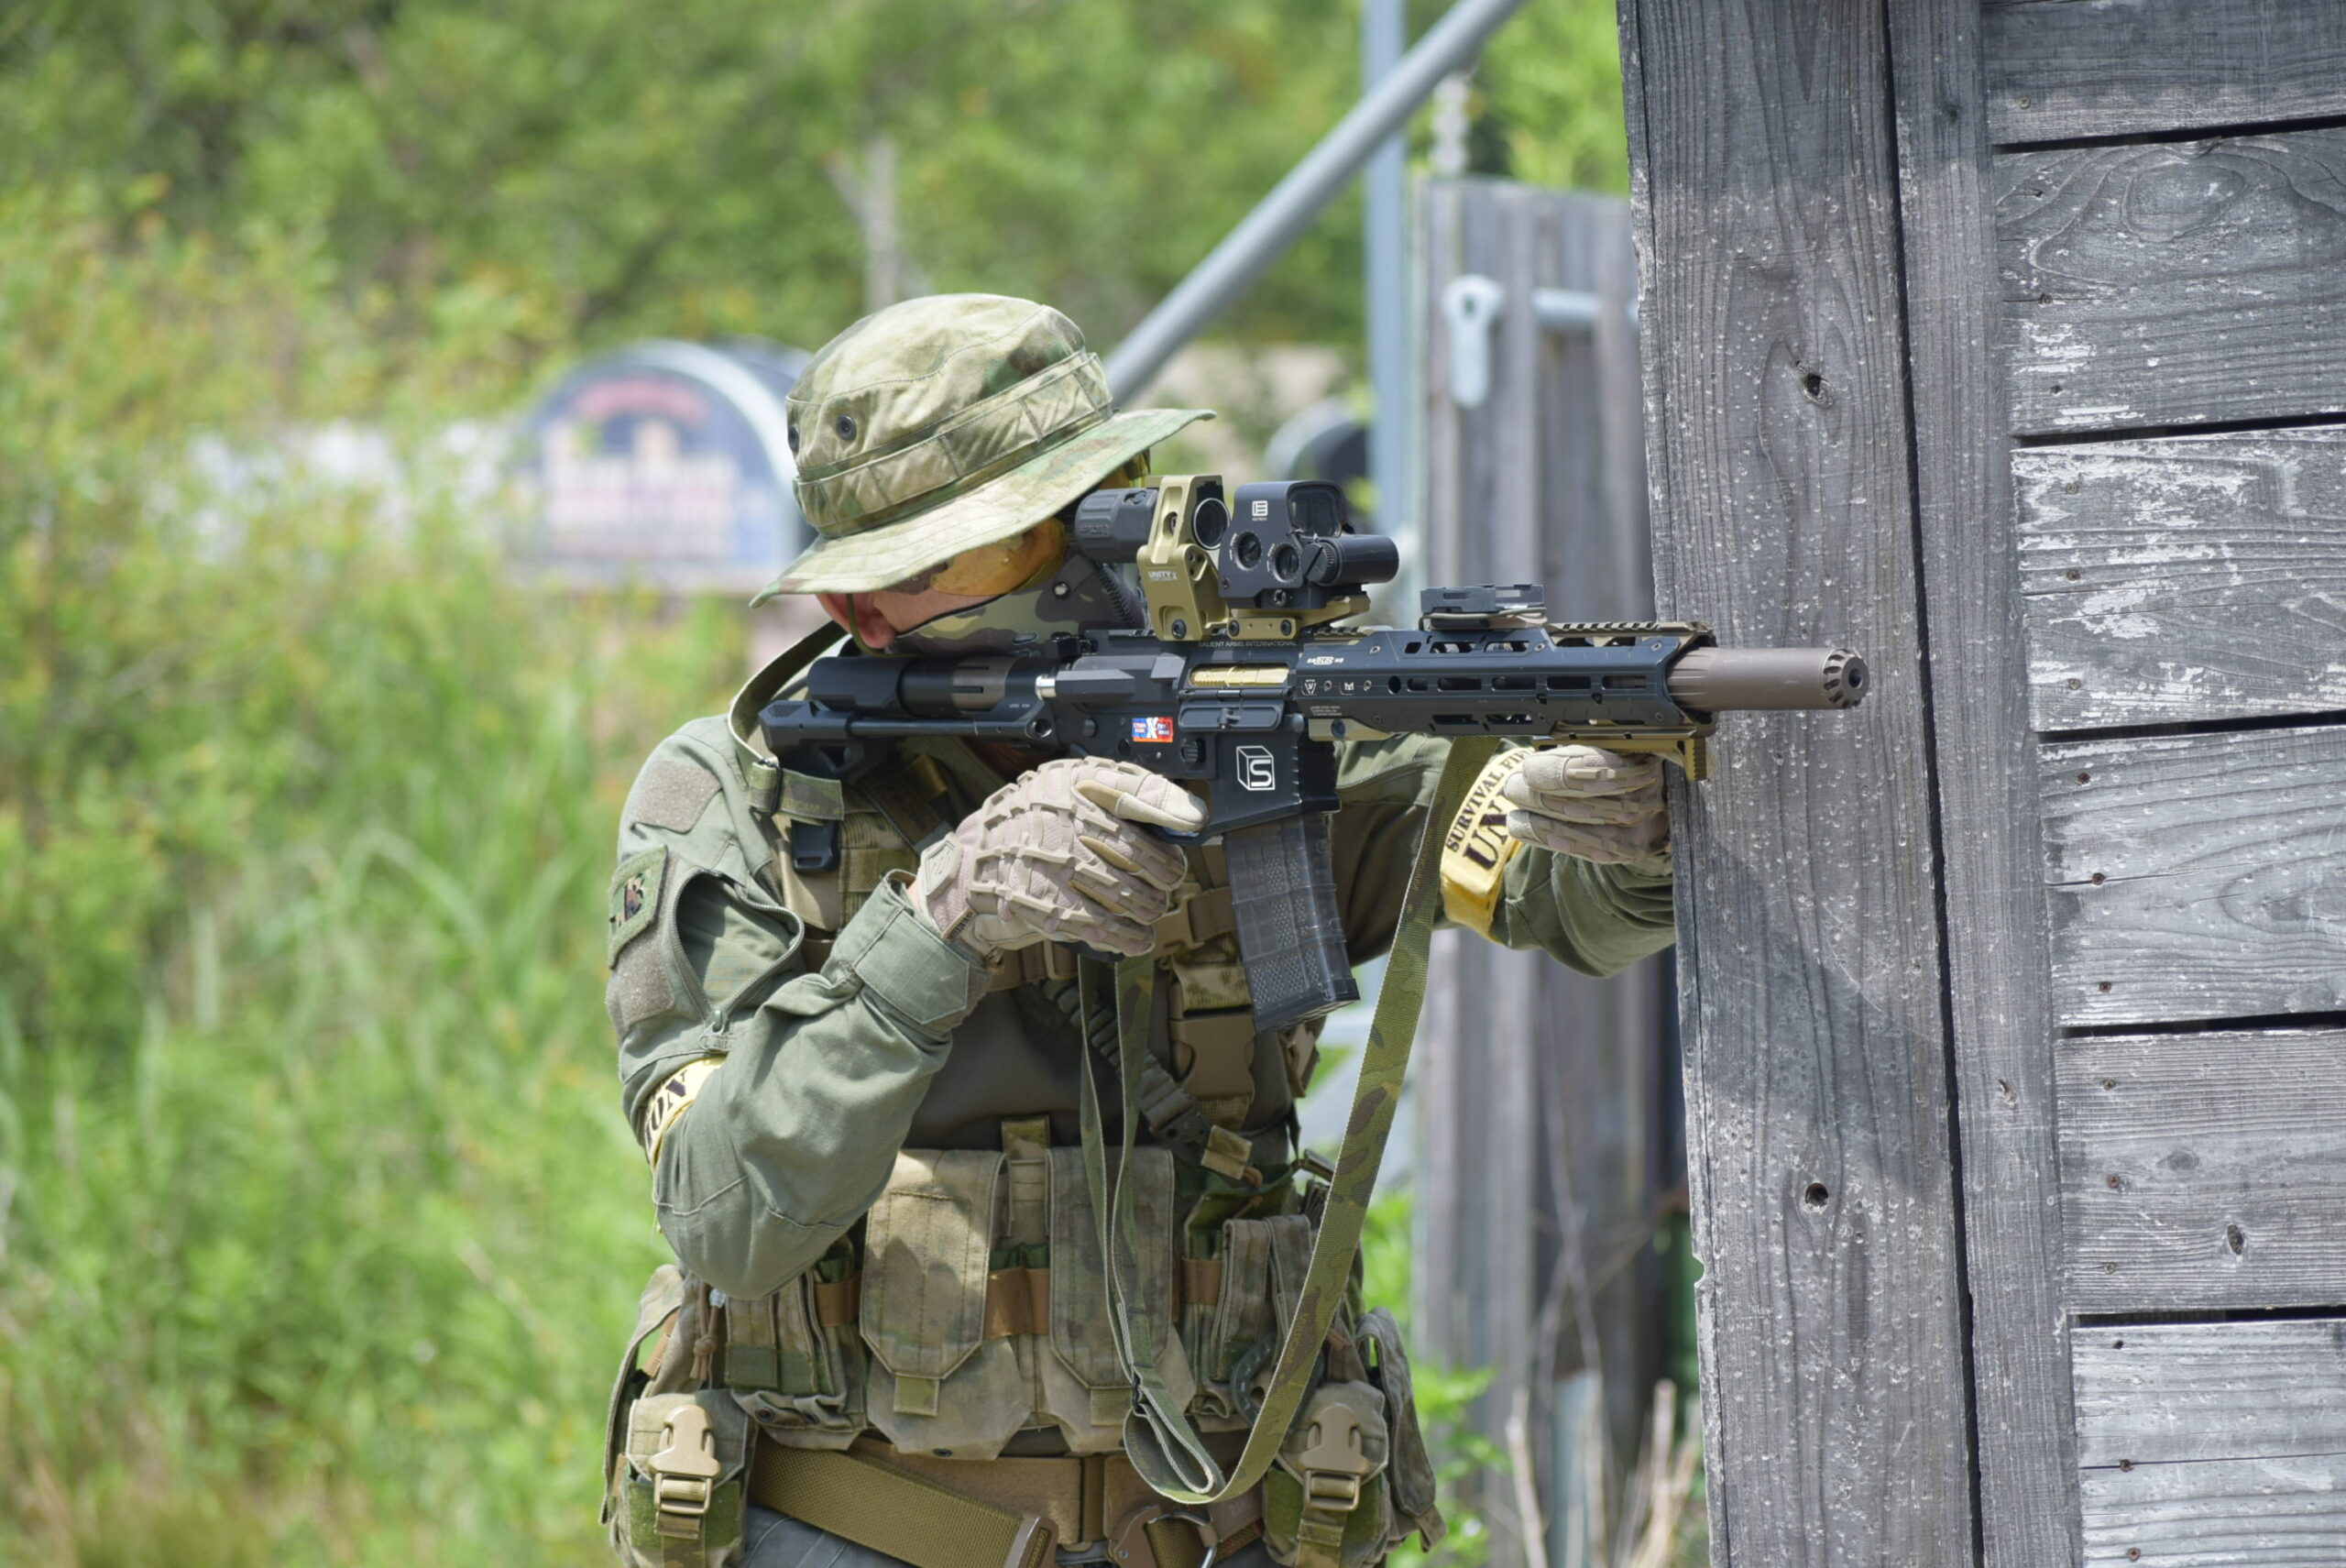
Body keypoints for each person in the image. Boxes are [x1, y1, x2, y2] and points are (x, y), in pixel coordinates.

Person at [600, 294, 1675, 1568]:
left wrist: (1620, 827)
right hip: (858, 1527)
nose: (858, 611)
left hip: (1235, 1521)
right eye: (849, 565)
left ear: (1094, 515)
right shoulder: (743, 795)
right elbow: (725, 1216)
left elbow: (1561, 899)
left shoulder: (1273, 730)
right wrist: (940, 920)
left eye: (923, 564)